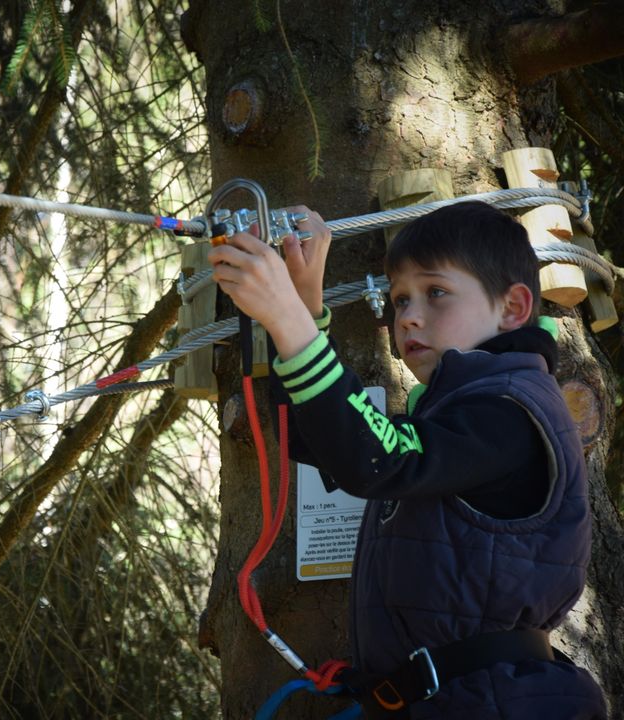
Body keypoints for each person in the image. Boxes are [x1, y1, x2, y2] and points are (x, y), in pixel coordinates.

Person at [208, 201, 607, 719]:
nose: (409, 315)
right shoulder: (456, 414)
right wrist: (303, 313)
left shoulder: (513, 412)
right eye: (399, 300)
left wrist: (290, 321)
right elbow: (316, 440)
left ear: (513, 307)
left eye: (435, 292)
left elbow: (377, 458)